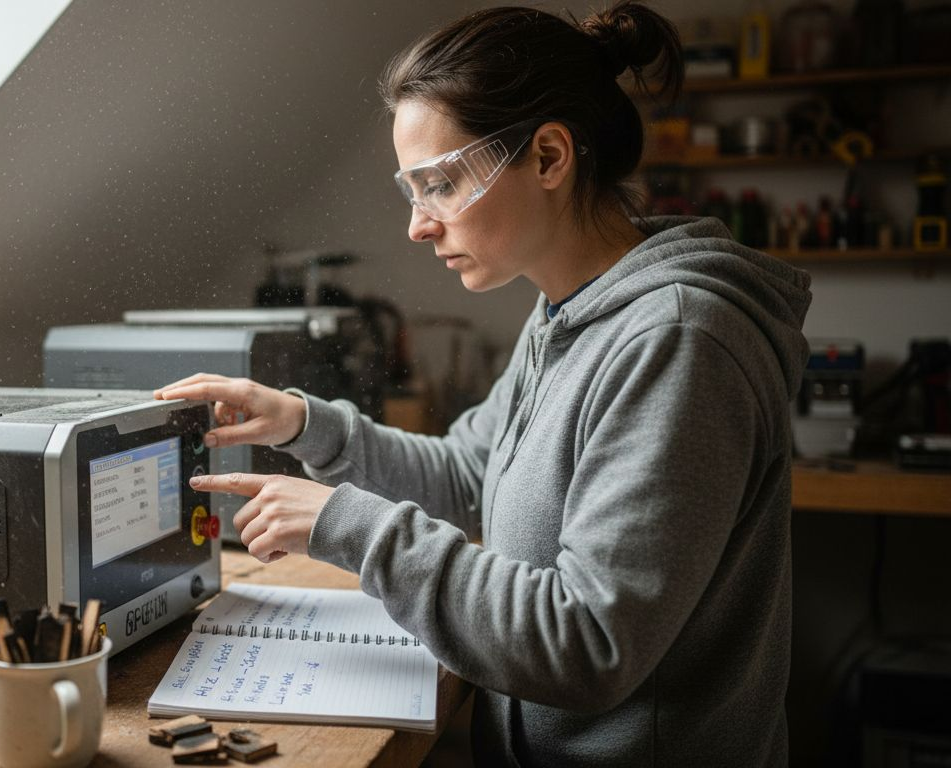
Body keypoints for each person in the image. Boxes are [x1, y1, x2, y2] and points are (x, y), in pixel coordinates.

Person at [155, 3, 812, 766]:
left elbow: (589, 642)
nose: (418, 224)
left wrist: (351, 525)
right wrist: (305, 425)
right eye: (412, 189)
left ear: (548, 157)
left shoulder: (677, 340)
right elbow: (473, 473)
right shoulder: (567, 312)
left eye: (440, 182)